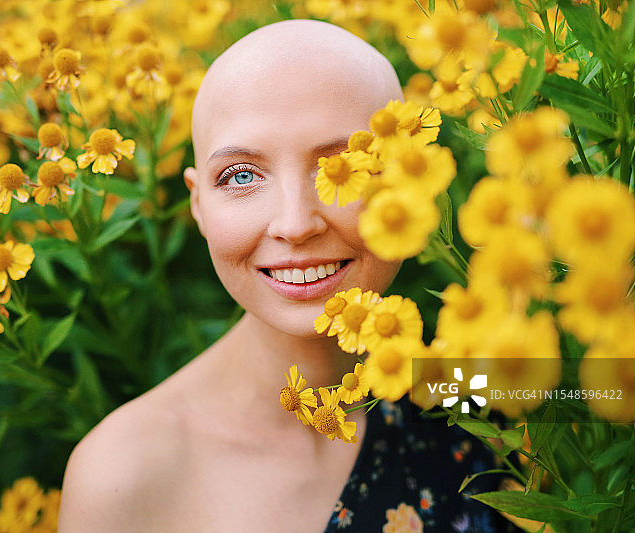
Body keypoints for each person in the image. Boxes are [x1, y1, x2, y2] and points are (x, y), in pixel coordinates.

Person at [59, 19, 521, 532]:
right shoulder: (124, 475)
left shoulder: (480, 390)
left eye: (347, 163)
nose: (296, 224)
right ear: (197, 204)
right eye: (241, 176)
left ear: (411, 176)